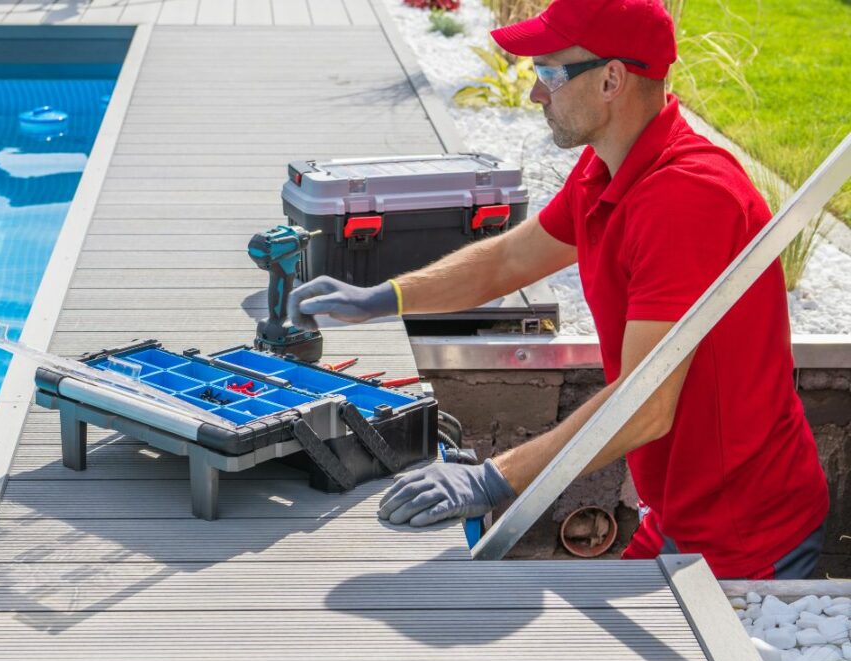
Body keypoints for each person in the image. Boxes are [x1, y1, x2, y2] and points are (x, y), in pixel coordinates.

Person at [287, 0, 829, 579]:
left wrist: (492, 479)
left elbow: (645, 406)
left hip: (746, 539)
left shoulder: (687, 200)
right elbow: (509, 259)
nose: (534, 96)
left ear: (611, 80)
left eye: (548, 73)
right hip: (677, 515)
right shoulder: (609, 168)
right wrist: (383, 297)